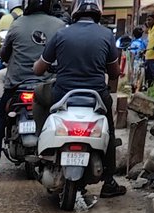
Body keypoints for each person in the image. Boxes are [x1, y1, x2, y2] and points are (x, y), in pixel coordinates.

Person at [32, 0, 126, 197]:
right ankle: (108, 181)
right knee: (108, 127)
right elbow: (115, 73)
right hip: (97, 97)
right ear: (98, 13)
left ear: (75, 12)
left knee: (38, 96)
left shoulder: (61, 34)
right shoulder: (107, 35)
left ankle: (41, 141)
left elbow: (38, 69)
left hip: (62, 94)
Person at [0, 0, 63, 171]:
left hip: (17, 84)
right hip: (48, 85)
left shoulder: (16, 24)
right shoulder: (60, 26)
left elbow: (4, 54)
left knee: (0, 117)